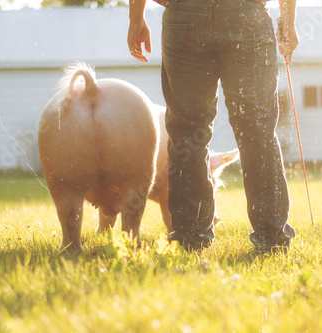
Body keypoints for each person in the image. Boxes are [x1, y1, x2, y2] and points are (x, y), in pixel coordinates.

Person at [128, 0, 298, 252]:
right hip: (246, 15)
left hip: (184, 16)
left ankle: (191, 236)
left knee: (187, 130)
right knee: (256, 128)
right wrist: (288, 21)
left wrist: (136, 18)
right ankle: (271, 236)